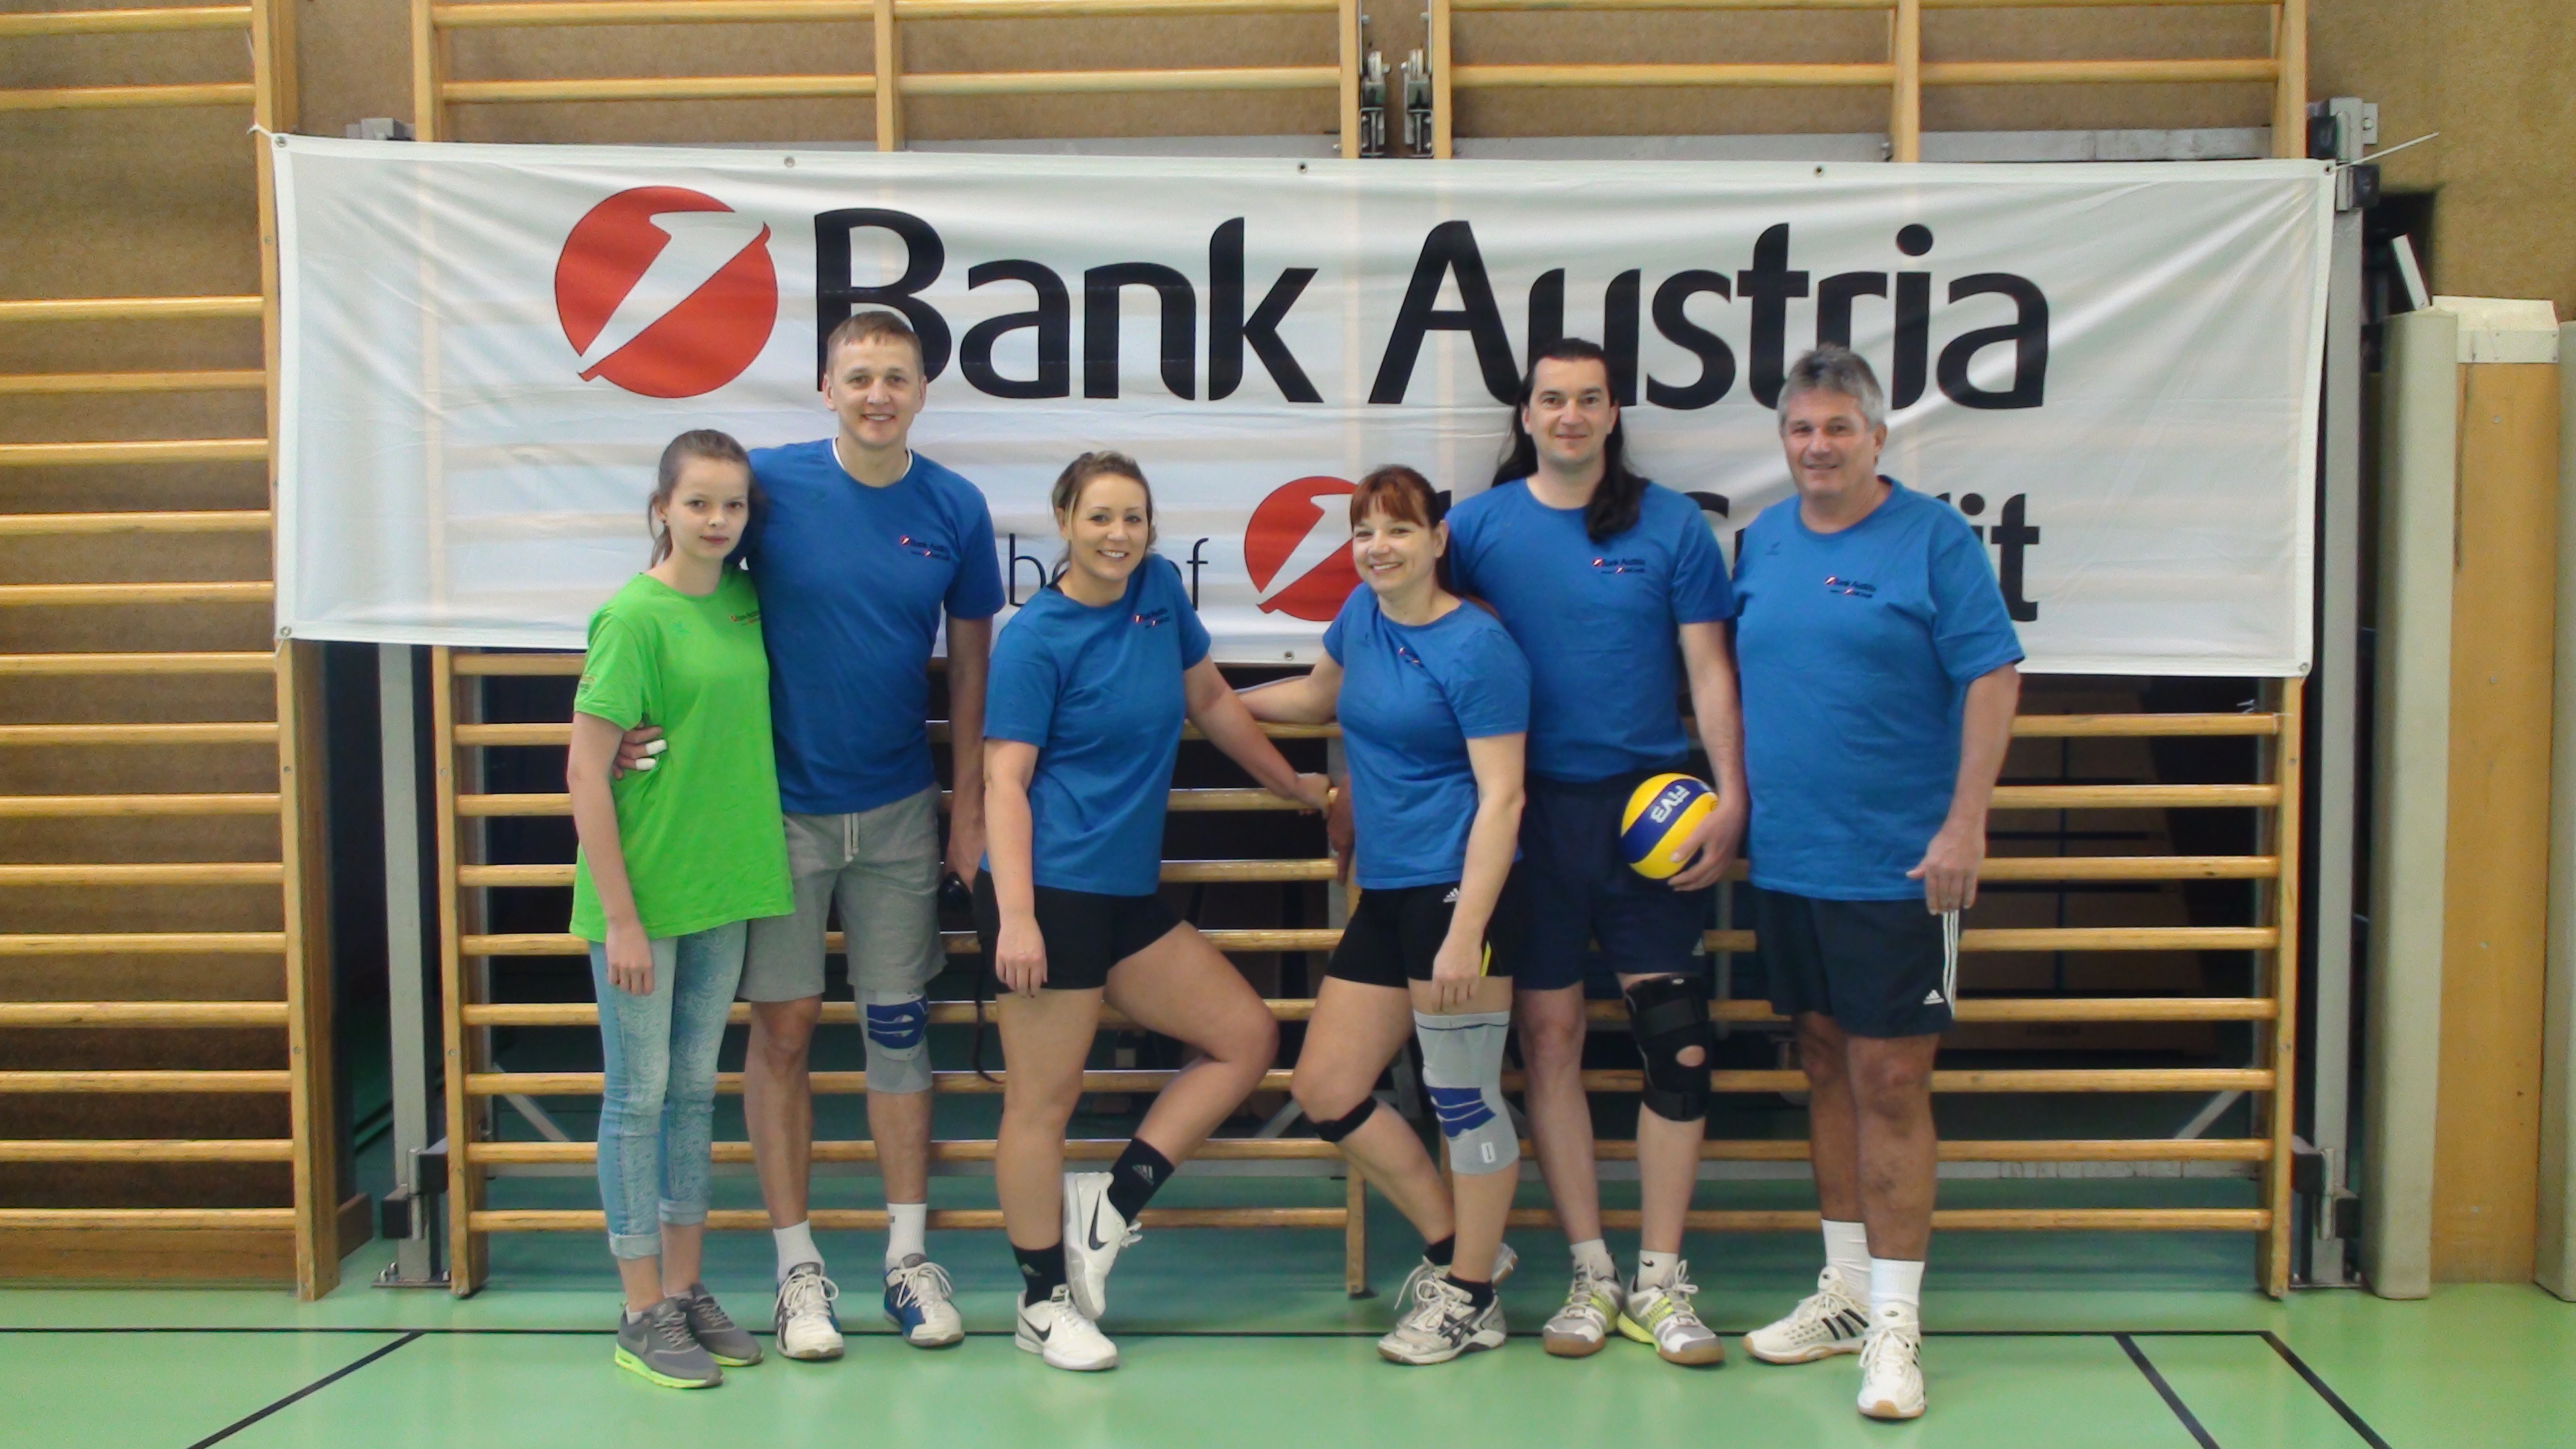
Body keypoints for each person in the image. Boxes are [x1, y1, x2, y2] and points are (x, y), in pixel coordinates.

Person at [621, 309, 1002, 1358]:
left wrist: (967, 806)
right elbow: (683, 596)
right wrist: (621, 724)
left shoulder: (955, 508)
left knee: (898, 1032)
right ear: (826, 388)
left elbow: (972, 667)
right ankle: (798, 1273)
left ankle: (908, 1260)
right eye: (859, 376)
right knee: (783, 1035)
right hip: (777, 816)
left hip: (897, 815)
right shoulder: (772, 489)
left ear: (922, 391)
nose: (879, 394)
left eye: (897, 377)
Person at [978, 451, 1330, 1371]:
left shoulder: (1158, 591)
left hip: (1125, 894)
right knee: (1042, 1103)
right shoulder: (1035, 638)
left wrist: (1294, 784)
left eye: (1133, 517)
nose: (1118, 534)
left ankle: (1110, 1204)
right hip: (1050, 891)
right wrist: (1017, 916)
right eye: (1099, 517)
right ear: (1064, 521)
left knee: (1245, 1038)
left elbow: (1209, 699)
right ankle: (1041, 1301)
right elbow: (1004, 781)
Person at [1440, 337, 1748, 1366]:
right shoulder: (1475, 529)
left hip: (1650, 815)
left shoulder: (1672, 525)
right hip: (1529, 816)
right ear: (1526, 416)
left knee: (1679, 1043)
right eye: (1552, 399)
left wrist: (1733, 796)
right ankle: (1591, 1273)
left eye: (1588, 399)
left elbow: (1709, 672)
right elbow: (1411, 638)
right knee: (1549, 1041)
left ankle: (1660, 1280)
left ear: (1614, 414)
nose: (1569, 415)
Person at [1733, 346, 2022, 1421]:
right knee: (1821, 1062)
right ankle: (1848, 1294)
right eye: (1802, 429)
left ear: (1877, 437)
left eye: (1838, 428)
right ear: (1784, 439)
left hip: (1900, 864)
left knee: (1890, 1080)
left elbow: (1993, 674)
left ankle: (1898, 1324)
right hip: (1790, 859)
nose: (1819, 447)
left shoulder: (1935, 540)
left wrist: (1965, 823)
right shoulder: (1763, 540)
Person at [1240, 465, 1534, 1366]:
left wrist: (1465, 931)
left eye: (1399, 530)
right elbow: (1315, 697)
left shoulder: (1480, 647)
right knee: (1326, 1087)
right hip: (1388, 888)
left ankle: (1470, 1300)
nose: (1379, 547)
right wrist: (1208, 703)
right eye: (1365, 531)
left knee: (1464, 1098)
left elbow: (1504, 798)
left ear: (1437, 542)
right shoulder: (1361, 617)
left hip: (1459, 894)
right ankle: (1464, 1257)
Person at [568, 431, 793, 1389]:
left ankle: (687, 1290)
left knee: (694, 1094)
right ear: (662, 507)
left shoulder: (745, 600)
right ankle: (639, 1310)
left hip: (725, 885)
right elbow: (586, 770)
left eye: (733, 504)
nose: (717, 519)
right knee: (639, 1097)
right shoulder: (631, 616)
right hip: (646, 897)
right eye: (698, 502)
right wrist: (621, 918)